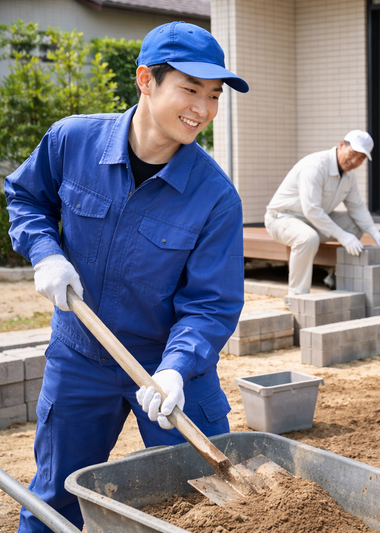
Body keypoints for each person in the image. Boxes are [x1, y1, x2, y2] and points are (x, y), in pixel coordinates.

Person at [4, 22, 249, 532]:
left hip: (168, 372)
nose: (203, 109)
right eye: (190, 89)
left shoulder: (216, 198)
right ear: (145, 80)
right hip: (80, 355)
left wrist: (177, 369)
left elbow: (211, 304)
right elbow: (26, 197)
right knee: (54, 499)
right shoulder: (73, 140)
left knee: (210, 505)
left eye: (213, 95)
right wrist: (45, 253)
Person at [265, 130, 380, 295]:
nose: (354, 161)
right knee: (307, 238)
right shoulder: (315, 166)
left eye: (361, 158)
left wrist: (374, 232)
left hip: (312, 221)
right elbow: (312, 210)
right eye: (353, 154)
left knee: (355, 225)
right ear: (342, 145)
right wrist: (342, 236)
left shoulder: (349, 176)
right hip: (283, 218)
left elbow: (357, 207)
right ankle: (297, 296)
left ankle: (337, 275)